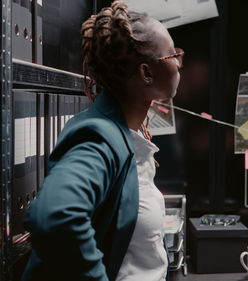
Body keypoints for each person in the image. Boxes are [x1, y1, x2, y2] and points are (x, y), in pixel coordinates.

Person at [21, 1, 182, 280]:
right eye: (172, 55)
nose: (179, 62)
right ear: (146, 73)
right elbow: (55, 216)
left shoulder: (128, 134)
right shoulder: (98, 136)